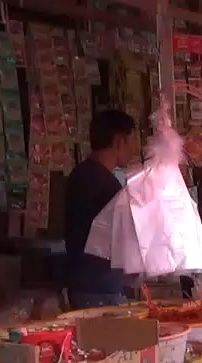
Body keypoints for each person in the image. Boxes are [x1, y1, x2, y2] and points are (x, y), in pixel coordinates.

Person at [64, 109, 139, 309]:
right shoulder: (106, 185)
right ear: (119, 141)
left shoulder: (79, 174)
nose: (133, 149)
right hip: (99, 290)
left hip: (83, 285)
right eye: (131, 141)